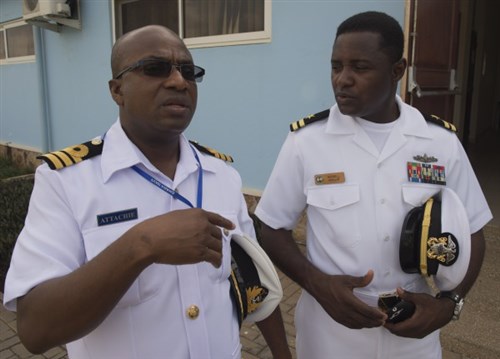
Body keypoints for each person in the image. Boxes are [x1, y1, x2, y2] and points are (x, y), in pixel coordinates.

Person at [3, 25, 291, 359]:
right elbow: (36, 330)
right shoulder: (66, 182)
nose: (178, 81)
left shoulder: (221, 174)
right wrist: (142, 246)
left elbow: (251, 278)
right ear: (117, 90)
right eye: (154, 69)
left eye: (188, 71)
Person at [254, 11, 492, 359]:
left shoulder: (439, 142)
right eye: (337, 66)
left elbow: (474, 231)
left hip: (414, 331)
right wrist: (318, 285)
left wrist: (448, 305)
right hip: (330, 331)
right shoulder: (307, 142)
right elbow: (270, 227)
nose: (342, 80)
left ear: (398, 70)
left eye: (360, 68)